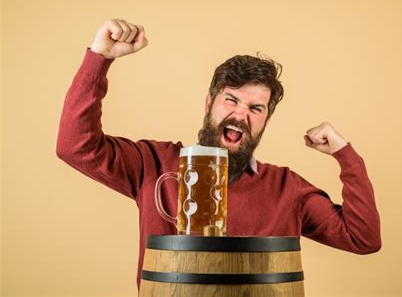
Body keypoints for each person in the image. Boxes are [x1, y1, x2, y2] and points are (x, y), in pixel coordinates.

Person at [56, 19, 381, 288]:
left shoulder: (286, 188)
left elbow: (363, 238)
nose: (241, 115)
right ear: (208, 104)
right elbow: (74, 145)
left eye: (256, 108)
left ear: (265, 120)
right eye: (231, 100)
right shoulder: (154, 165)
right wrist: (100, 56)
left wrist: (345, 154)